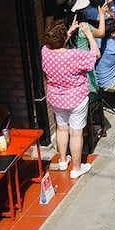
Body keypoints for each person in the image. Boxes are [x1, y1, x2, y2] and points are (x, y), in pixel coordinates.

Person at [41, 17, 97, 179]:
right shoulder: (74, 55)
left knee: (61, 128)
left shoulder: (45, 51)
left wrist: (68, 32)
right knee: (76, 133)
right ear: (64, 38)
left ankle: (63, 160)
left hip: (56, 97)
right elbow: (95, 54)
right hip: (76, 97)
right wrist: (89, 34)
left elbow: (57, 44)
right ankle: (77, 168)